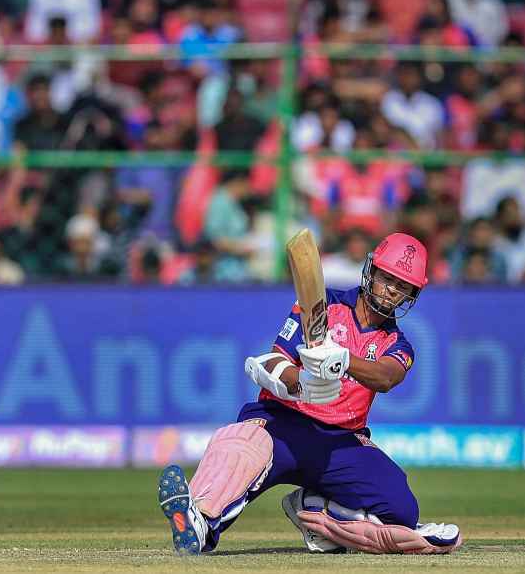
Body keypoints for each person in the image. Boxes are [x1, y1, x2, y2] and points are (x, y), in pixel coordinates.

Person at [157, 233, 462, 555]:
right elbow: (275, 359)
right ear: (371, 272)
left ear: (412, 294)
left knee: (402, 510)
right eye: (387, 278)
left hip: (339, 442)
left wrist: (341, 358)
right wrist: (301, 382)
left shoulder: (398, 344)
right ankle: (199, 522)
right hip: (282, 423)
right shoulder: (322, 305)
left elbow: (386, 377)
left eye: (403, 286)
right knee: (240, 446)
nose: (391, 291)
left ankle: (316, 507)